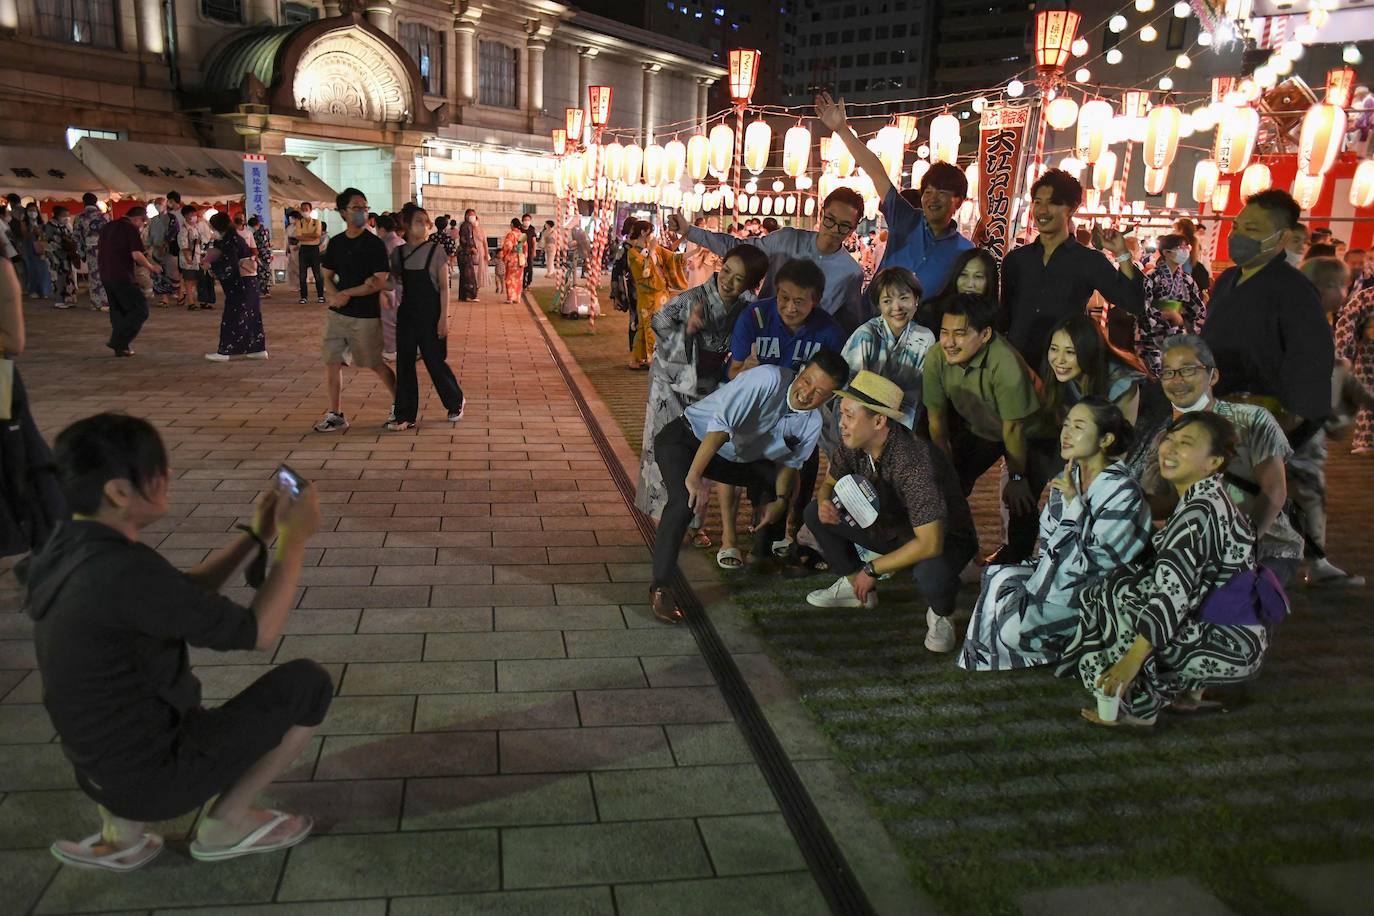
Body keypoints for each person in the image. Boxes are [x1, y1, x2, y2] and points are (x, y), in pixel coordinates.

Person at [33, 414, 330, 871]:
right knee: (308, 684)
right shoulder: (124, 572)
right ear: (119, 491)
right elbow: (259, 632)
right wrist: (295, 539)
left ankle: (121, 836)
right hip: (157, 780)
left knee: (110, 705)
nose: (168, 474)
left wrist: (255, 538)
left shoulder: (70, 550)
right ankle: (228, 823)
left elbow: (178, 595)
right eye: (157, 469)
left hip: (96, 773)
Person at [1059, 412, 1276, 728]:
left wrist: (1130, 662)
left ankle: (1136, 703)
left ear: (1214, 462)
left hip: (1230, 644)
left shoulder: (1198, 514)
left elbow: (1171, 598)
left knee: (1119, 596)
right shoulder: (1209, 496)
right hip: (1237, 633)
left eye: (1186, 443)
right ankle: (1187, 691)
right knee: (1126, 584)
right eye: (1170, 438)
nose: (1170, 448)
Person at [649, 353, 850, 622]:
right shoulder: (767, 379)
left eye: (819, 392)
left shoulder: (811, 422)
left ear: (830, 397)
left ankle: (762, 553)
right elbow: (720, 430)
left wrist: (780, 501)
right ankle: (661, 586)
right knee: (684, 501)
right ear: (801, 370)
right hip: (687, 439)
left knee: (780, 486)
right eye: (806, 381)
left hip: (732, 458)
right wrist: (694, 476)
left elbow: (789, 464)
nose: (806, 394)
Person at [960, 398, 1151, 671]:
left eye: (1078, 427)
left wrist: (1075, 505)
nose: (1066, 434)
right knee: (999, 577)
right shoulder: (1069, 476)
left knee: (1013, 627)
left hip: (1095, 590)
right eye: (1066, 425)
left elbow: (1100, 560)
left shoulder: (1122, 490)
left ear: (1106, 439)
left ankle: (1084, 643)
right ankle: (1002, 648)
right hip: (1058, 575)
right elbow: (1049, 541)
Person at [803, 372, 979, 653]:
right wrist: (825, 502)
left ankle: (941, 613)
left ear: (878, 421)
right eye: (841, 414)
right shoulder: (855, 444)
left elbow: (930, 543)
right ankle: (857, 589)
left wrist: (873, 569)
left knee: (930, 572)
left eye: (849, 416)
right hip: (892, 527)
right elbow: (829, 484)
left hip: (944, 539)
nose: (841, 423)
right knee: (815, 512)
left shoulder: (914, 463)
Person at [634, 245, 770, 560]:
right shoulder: (691, 299)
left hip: (710, 384)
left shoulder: (749, 307)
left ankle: (695, 523)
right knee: (666, 449)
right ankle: (667, 518)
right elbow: (658, 323)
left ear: (752, 284)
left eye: (739, 279)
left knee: (703, 449)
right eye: (726, 271)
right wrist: (686, 329)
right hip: (672, 382)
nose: (728, 281)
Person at [1138, 336, 1303, 585]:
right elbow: (1160, 503)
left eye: (1187, 370)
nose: (1177, 380)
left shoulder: (1252, 420)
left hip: (1266, 545)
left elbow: (1274, 491)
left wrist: (1242, 548)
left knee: (1229, 601)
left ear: (1213, 376)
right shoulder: (1164, 438)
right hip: (1198, 551)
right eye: (1168, 372)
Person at [924, 293, 1060, 565]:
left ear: (985, 334)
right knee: (947, 484)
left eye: (960, 334)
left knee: (1021, 497)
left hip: (1031, 432)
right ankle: (955, 550)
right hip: (985, 427)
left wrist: (1017, 478)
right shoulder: (936, 357)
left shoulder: (1005, 363)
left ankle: (1015, 561)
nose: (949, 342)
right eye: (944, 332)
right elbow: (936, 422)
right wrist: (945, 471)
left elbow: (1014, 430)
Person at [727, 258, 846, 551]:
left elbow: (833, 383)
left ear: (816, 301)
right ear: (775, 291)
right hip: (760, 409)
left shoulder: (829, 332)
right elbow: (734, 371)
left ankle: (795, 526)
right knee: (763, 468)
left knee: (805, 460)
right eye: (784, 298)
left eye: (800, 302)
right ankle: (763, 526)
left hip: (803, 411)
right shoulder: (755, 317)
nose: (790, 307)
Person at [1201, 189, 1334, 439]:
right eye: (1236, 227)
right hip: (1215, 409)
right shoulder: (1227, 279)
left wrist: (1289, 423)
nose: (1237, 235)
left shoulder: (1295, 289)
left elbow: (1312, 362)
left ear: (1282, 237)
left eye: (1251, 229)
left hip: (1261, 419)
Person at [815, 92, 973, 297]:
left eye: (941, 192)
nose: (932, 198)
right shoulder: (906, 218)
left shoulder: (964, 251)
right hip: (872, 315)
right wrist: (842, 130)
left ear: (958, 200)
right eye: (928, 192)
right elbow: (876, 173)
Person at [668, 187, 868, 332]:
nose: (834, 230)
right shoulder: (787, 240)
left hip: (807, 347)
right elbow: (740, 248)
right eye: (830, 219)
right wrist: (689, 231)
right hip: (762, 330)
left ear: (853, 228)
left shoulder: (851, 273)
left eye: (844, 226)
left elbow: (849, 322)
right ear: (822, 213)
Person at [1000, 169, 1145, 364]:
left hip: (1064, 366)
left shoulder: (1089, 260)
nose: (1042, 210)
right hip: (1017, 364)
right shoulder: (1016, 260)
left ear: (1072, 208)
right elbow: (1005, 316)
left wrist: (1121, 253)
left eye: (1052, 203)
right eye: (1037, 202)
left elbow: (1133, 303)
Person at [1291, 257, 1367, 587]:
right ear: (1325, 287)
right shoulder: (1307, 324)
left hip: (1295, 425)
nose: (1345, 293)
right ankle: (1316, 563)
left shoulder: (1302, 318)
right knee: (1307, 494)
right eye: (1341, 286)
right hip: (1299, 427)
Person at [314, 188, 397, 432]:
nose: (362, 212)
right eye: (356, 208)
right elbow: (326, 274)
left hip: (365, 315)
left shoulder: (374, 244)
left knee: (374, 363)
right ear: (343, 212)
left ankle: (400, 404)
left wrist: (347, 293)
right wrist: (334, 294)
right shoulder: (337, 242)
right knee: (332, 361)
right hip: (337, 315)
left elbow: (379, 281)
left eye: (365, 207)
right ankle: (335, 413)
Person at [385, 205, 465, 431]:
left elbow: (444, 288)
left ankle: (455, 401)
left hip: (431, 314)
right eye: (419, 221)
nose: (424, 225)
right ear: (407, 225)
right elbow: (391, 282)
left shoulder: (435, 251)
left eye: (426, 221)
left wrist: (444, 319)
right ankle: (405, 415)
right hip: (407, 314)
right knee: (404, 363)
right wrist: (374, 283)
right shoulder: (398, 253)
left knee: (434, 361)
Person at [841, 267, 935, 430]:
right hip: (858, 421)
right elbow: (849, 390)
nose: (897, 307)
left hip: (901, 423)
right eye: (887, 301)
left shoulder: (925, 338)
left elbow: (916, 396)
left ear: (916, 300)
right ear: (878, 305)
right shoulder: (866, 335)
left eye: (904, 298)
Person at [1137, 233, 1208, 376]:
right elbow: (1143, 306)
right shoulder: (1152, 276)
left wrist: (1183, 321)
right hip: (1153, 335)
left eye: (1186, 247)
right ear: (1166, 253)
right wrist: (1166, 315)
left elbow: (1198, 310)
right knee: (1155, 377)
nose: (1185, 251)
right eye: (1180, 248)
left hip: (1178, 334)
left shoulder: (1187, 280)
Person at [202, 213, 268, 362]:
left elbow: (229, 264)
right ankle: (257, 348)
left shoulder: (229, 241)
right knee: (252, 314)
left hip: (240, 283)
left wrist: (211, 266)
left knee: (233, 316)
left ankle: (225, 351)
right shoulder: (233, 238)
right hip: (249, 281)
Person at [98, 204, 161, 357]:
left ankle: (121, 348)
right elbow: (136, 254)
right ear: (138, 219)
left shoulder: (108, 226)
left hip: (106, 273)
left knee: (118, 311)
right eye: (143, 222)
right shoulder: (130, 228)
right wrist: (151, 267)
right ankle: (118, 341)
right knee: (140, 309)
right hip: (122, 274)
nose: (142, 226)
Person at [627, 220, 687, 369]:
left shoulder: (655, 249)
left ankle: (636, 359)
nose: (653, 236)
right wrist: (652, 250)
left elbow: (672, 258)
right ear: (643, 233)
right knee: (651, 327)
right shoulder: (633, 253)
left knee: (646, 327)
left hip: (661, 293)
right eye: (651, 232)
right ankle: (653, 358)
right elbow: (644, 273)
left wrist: (693, 253)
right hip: (647, 295)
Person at [1336, 272, 1374, 455]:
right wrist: (1345, 352)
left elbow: (1346, 323)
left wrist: (1344, 352)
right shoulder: (1366, 296)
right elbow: (1347, 323)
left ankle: (1366, 441)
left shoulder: (1366, 296)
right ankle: (1366, 440)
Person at [921, 247, 1000, 333]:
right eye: (963, 274)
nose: (970, 284)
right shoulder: (932, 311)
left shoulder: (996, 318)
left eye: (978, 276)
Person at [73, 193, 109, 312]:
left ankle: (96, 303)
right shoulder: (104, 216)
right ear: (96, 202)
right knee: (105, 274)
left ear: (84, 202)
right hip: (105, 248)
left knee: (94, 276)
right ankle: (105, 301)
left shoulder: (80, 217)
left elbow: (76, 237)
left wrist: (81, 253)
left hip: (90, 249)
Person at [146, 192, 183, 308]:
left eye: (160, 204)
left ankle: (179, 294)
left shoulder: (172, 218)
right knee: (159, 274)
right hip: (156, 249)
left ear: (165, 204)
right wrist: (149, 246)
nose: (158, 206)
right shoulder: (153, 220)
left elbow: (174, 231)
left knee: (173, 273)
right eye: (156, 204)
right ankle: (165, 298)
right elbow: (150, 235)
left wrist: (165, 244)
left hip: (169, 249)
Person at [177, 205, 215, 312]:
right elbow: (184, 247)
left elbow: (202, 240)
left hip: (198, 257)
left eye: (194, 214)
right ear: (186, 216)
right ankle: (190, 302)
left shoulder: (196, 227)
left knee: (199, 279)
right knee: (189, 280)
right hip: (189, 259)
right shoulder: (184, 230)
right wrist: (188, 258)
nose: (194, 217)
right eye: (191, 215)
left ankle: (202, 301)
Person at [43, 206, 80, 308]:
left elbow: (71, 236)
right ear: (57, 215)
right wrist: (64, 242)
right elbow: (50, 240)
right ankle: (60, 300)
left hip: (66, 255)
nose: (66, 218)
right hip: (55, 255)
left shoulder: (65, 225)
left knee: (68, 277)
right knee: (59, 278)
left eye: (68, 215)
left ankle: (69, 299)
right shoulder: (50, 226)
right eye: (64, 216)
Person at [295, 202, 326, 304]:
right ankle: (304, 297)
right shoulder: (299, 223)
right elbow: (298, 236)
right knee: (302, 275)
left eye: (306, 209)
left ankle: (320, 296)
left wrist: (304, 236)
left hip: (314, 249)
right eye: (302, 209)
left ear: (310, 210)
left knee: (317, 274)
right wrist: (310, 236)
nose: (304, 211)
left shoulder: (317, 222)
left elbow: (317, 235)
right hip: (303, 250)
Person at [1173, 217, 1211, 294]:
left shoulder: (1181, 255)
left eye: (1175, 230)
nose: (1173, 233)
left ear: (1181, 231)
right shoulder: (1194, 254)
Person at [499, 218, 526, 304]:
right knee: (518, 279)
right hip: (520, 258)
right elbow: (525, 248)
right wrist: (525, 258)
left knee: (509, 278)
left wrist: (504, 254)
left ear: (512, 225)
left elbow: (507, 246)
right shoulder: (522, 235)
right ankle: (517, 298)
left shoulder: (511, 234)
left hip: (512, 258)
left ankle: (510, 297)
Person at [457, 209, 481, 301]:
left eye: (474, 215)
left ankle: (463, 295)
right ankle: (470, 295)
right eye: (471, 215)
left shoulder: (468, 226)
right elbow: (465, 239)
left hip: (464, 252)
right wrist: (471, 248)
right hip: (465, 253)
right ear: (466, 215)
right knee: (468, 275)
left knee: (464, 275)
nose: (473, 217)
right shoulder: (466, 226)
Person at [247, 216, 272, 298]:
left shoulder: (258, 233)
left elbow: (258, 245)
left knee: (261, 273)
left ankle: (263, 291)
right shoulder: (266, 231)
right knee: (266, 272)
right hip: (266, 254)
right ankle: (266, 290)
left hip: (261, 254)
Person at [520, 213, 537, 290]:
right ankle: (523, 284)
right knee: (523, 268)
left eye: (528, 220)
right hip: (522, 251)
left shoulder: (531, 229)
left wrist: (534, 251)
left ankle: (528, 282)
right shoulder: (520, 229)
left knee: (530, 268)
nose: (527, 221)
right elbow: (520, 242)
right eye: (525, 220)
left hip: (530, 251)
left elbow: (534, 241)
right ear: (522, 220)